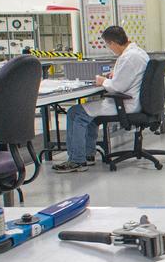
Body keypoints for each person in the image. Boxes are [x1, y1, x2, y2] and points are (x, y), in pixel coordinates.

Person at [53, 25, 148, 173]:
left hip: (124, 103)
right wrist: (115, 73)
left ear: (112, 43)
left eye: (109, 46)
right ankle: (88, 155)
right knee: (90, 115)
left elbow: (117, 87)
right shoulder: (138, 53)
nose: (111, 49)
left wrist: (102, 80)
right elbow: (128, 77)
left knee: (75, 112)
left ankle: (77, 161)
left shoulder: (129, 57)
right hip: (132, 101)